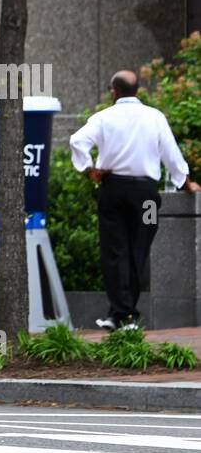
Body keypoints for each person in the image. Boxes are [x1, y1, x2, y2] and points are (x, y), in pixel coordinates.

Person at [70, 69, 201, 330]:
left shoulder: (103, 117)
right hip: (147, 197)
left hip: (113, 192)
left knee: (115, 250)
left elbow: (77, 141)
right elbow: (172, 154)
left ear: (113, 92)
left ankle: (120, 313)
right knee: (140, 247)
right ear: (138, 91)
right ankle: (125, 314)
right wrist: (186, 182)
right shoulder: (155, 118)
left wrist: (89, 169)